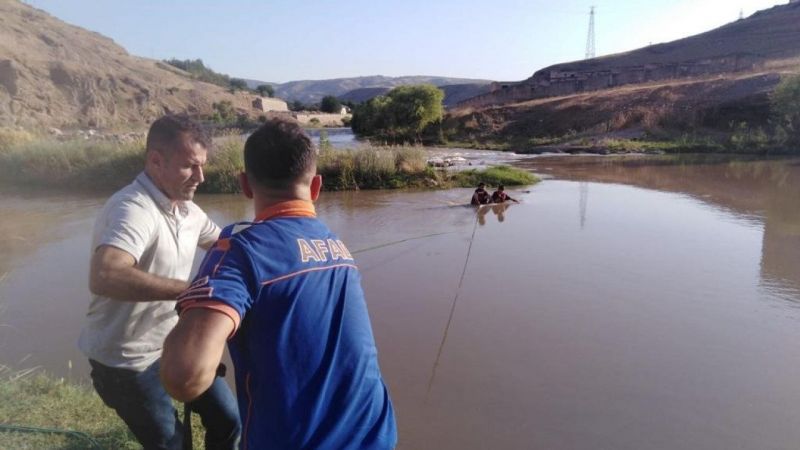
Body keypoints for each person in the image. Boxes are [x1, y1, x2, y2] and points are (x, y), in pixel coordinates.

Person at [160, 118, 398, 449]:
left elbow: (184, 377)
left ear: (244, 184)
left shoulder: (238, 249)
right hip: (376, 434)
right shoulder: (337, 246)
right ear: (316, 187)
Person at [78, 114, 241, 450]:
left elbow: (226, 245)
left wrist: (279, 243)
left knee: (229, 421)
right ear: (156, 160)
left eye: (203, 166)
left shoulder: (187, 209)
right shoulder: (133, 208)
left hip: (173, 345)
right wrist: (191, 291)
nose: (201, 177)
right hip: (126, 363)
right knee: (172, 445)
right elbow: (106, 274)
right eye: (190, 166)